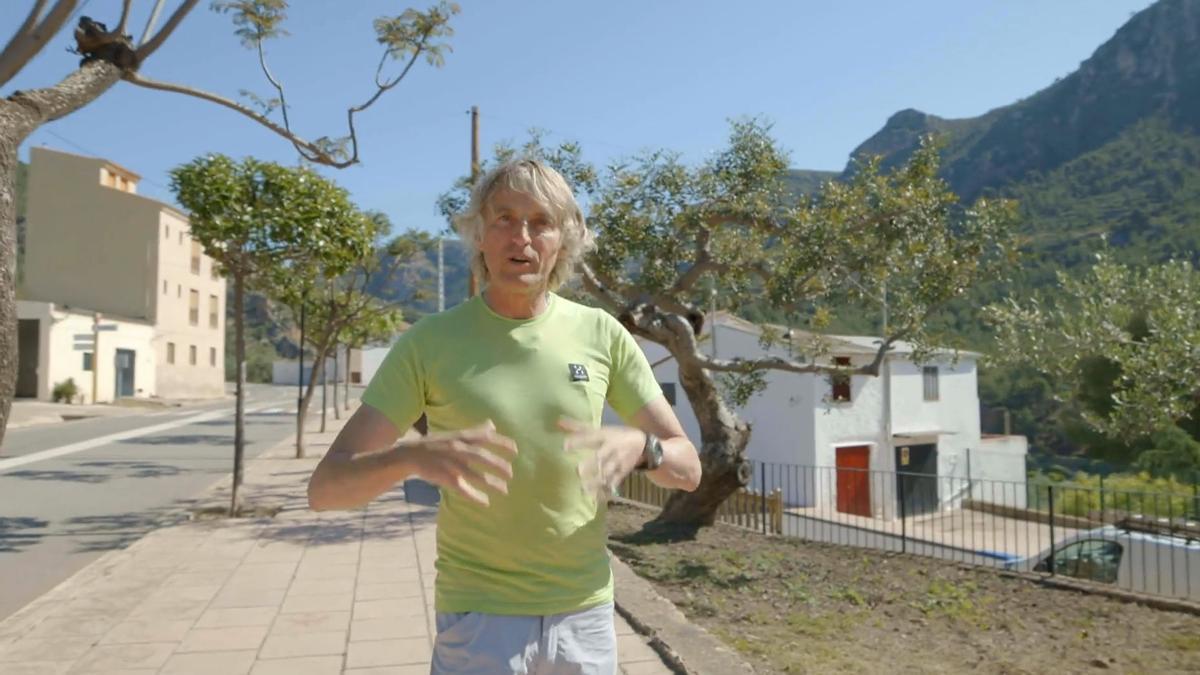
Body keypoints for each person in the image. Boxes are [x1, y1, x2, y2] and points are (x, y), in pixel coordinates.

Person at [307, 158, 702, 675]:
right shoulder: (428, 344)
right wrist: (410, 456)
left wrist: (641, 447)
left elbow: (688, 469)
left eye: (541, 221)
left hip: (583, 614)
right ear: (479, 235)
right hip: (479, 619)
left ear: (564, 239)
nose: (522, 237)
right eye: (504, 219)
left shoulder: (601, 333)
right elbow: (326, 489)